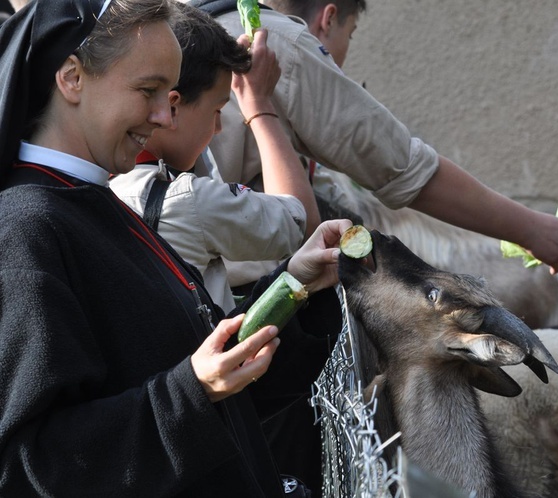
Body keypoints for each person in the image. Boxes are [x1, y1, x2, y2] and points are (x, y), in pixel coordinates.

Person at [0, 0, 348, 495]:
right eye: (148, 91)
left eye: (171, 94)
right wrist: (193, 391)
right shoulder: (26, 230)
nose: (165, 117)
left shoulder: (93, 203)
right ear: (72, 77)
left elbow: (207, 387)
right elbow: (29, 467)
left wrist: (296, 284)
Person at [189, 0, 558, 289]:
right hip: (255, 298)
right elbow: (402, 169)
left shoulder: (188, 21)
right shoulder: (282, 45)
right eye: (350, 33)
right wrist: (531, 228)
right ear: (328, 18)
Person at [110, 3, 320, 314]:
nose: (218, 128)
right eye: (217, 111)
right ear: (172, 108)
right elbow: (301, 223)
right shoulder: (191, 202)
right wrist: (259, 107)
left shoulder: (104, 185)